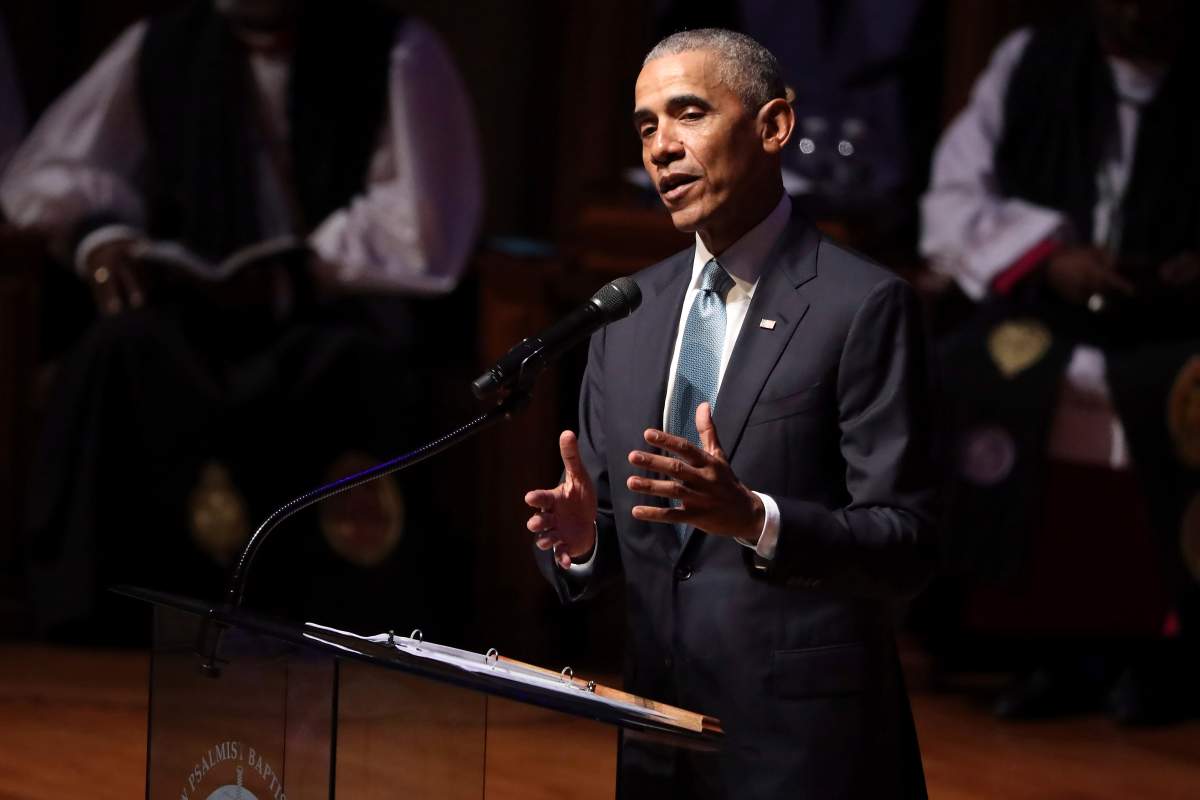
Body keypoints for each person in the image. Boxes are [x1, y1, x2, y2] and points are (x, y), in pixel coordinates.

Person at [523, 29, 938, 798]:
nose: (661, 147)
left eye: (688, 114)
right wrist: (583, 543)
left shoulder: (863, 306)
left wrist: (756, 519)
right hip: (657, 735)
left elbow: (907, 542)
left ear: (773, 126)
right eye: (646, 126)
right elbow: (636, 540)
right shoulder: (626, 315)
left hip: (805, 749)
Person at [0, 0, 482, 637]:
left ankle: (325, 627)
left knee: (350, 376)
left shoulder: (394, 49)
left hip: (332, 309)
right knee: (117, 353)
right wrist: (101, 237)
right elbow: (45, 175)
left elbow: (423, 222)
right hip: (194, 311)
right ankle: (98, 617)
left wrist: (296, 271)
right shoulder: (163, 45)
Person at [921, 0, 1199, 723]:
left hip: (1177, 321)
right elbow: (954, 196)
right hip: (1052, 303)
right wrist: (1052, 257)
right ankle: (1042, 646)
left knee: (1175, 397)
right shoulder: (1032, 61)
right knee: (975, 376)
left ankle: (1167, 657)